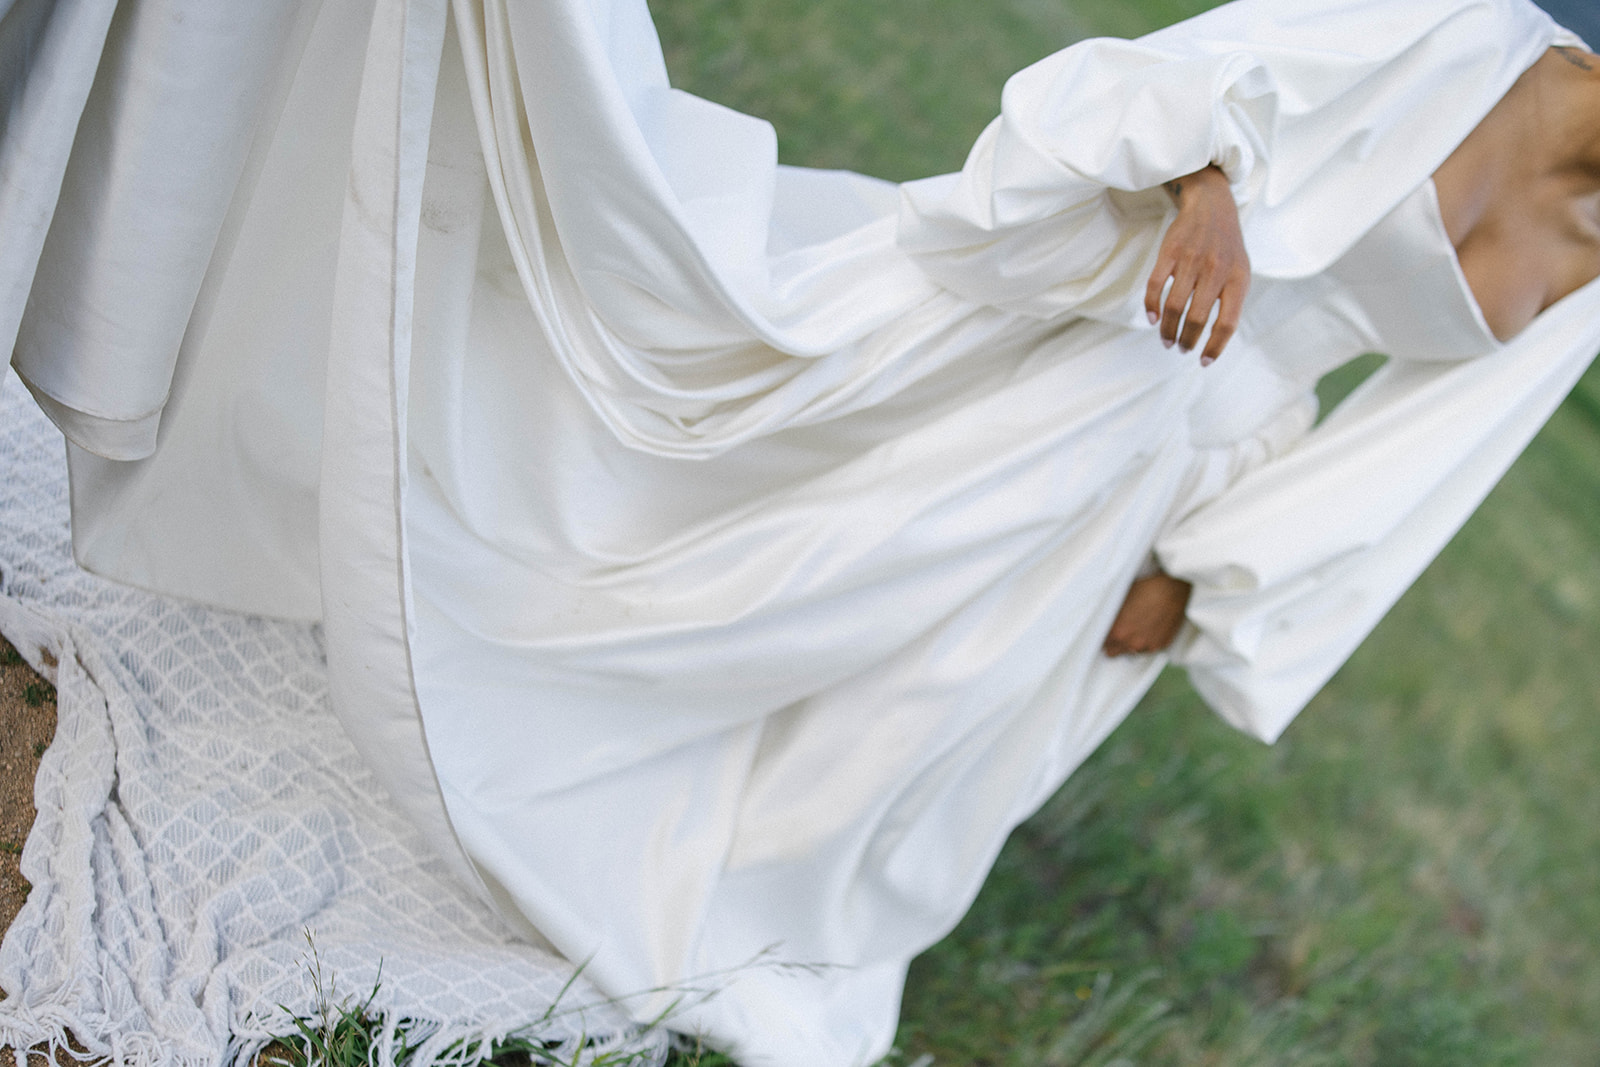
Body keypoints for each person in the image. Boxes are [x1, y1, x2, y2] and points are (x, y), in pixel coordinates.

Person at [4, 0, 1599, 1064]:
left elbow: (1414, 464)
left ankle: (727, 866)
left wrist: (1213, 575)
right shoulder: (1455, 35)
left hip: (1159, 472)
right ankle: (534, 666)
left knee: (880, 756)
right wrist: (1208, 196)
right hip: (1067, 329)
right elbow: (1157, 79)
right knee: (710, 527)